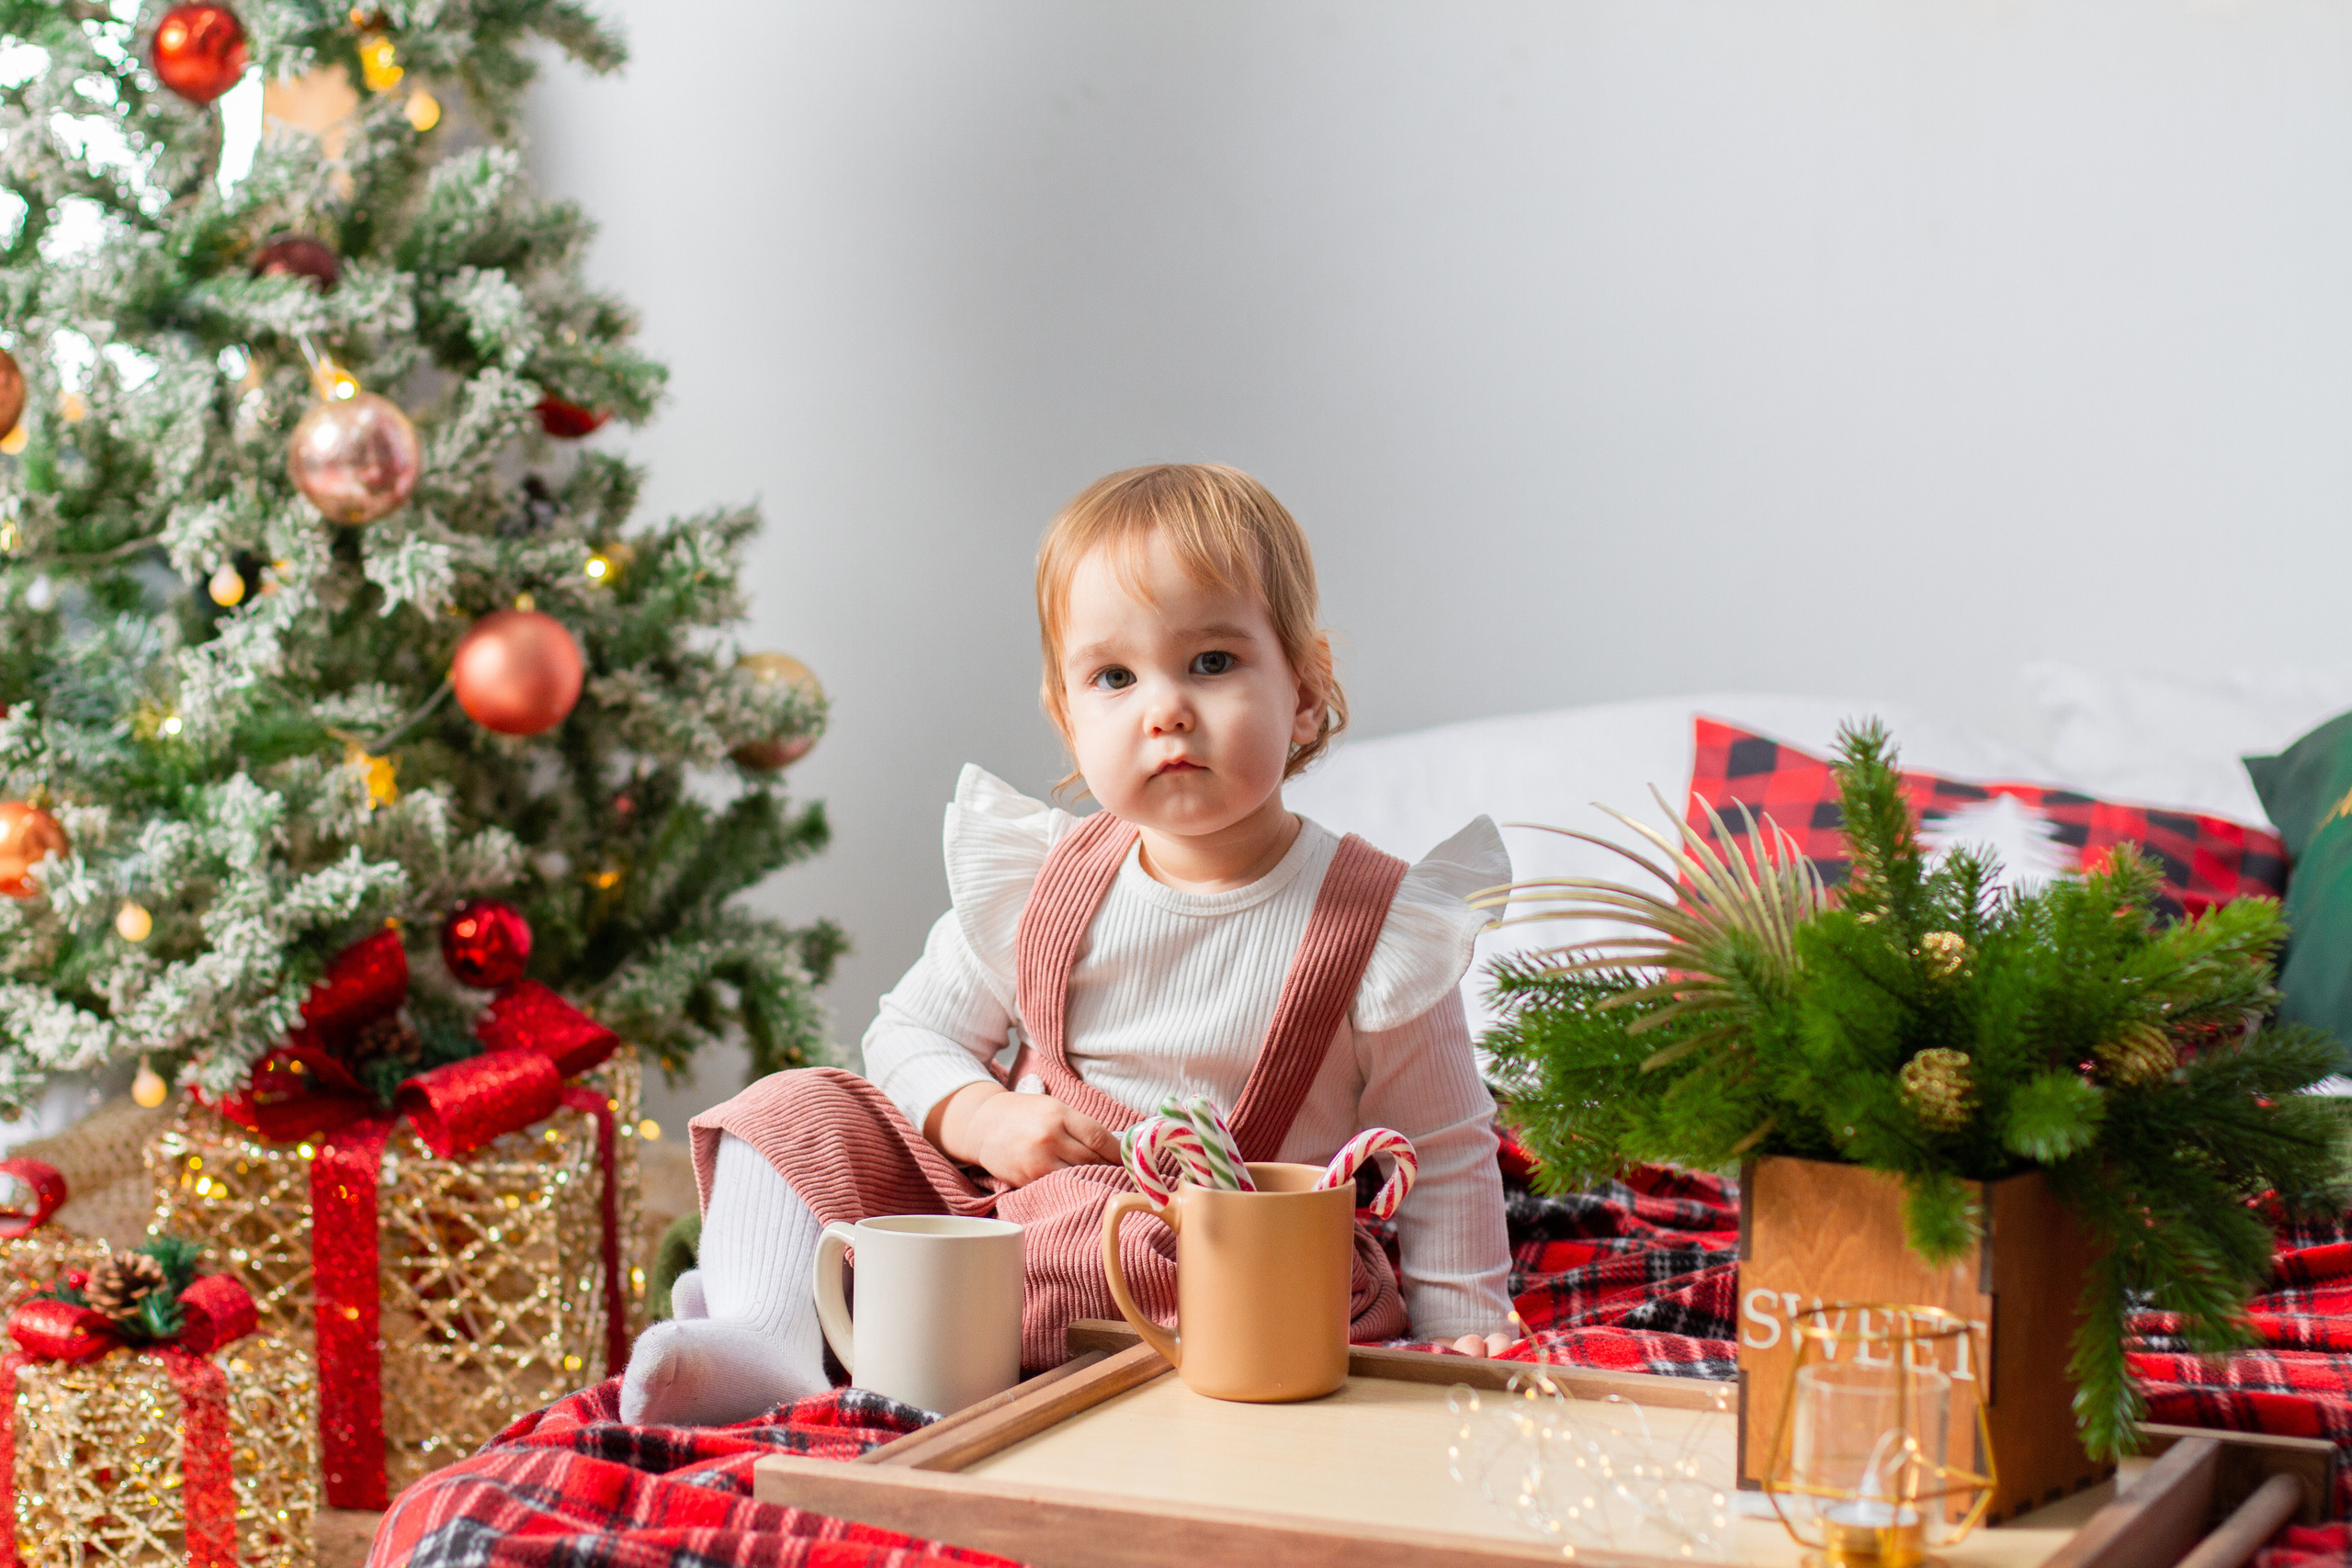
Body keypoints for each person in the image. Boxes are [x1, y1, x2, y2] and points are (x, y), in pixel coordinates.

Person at [623, 463, 1517, 1426]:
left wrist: (1465, 1320)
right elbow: (907, 1034)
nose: (1164, 710)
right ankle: (763, 1332)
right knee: (793, 1107)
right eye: (1114, 678)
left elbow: (1444, 1144)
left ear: (1305, 689)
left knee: (1121, 1243)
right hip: (1009, 1209)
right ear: (1068, 718)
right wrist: (979, 1117)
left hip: (1208, 1250)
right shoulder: (1045, 882)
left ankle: (874, 1311)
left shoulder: (1377, 923)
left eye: (1212, 661)